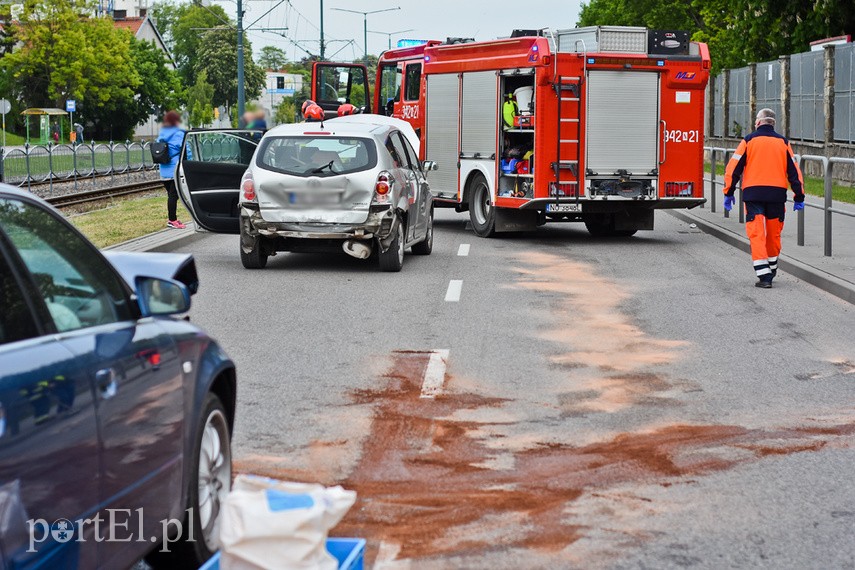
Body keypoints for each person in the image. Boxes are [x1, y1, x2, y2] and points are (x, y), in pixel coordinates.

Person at [723, 108, 805, 288]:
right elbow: (794, 172)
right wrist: (799, 195)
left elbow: (733, 168)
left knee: (757, 233)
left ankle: (764, 275)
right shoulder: (783, 142)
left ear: (758, 122)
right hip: (777, 195)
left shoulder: (748, 140)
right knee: (774, 234)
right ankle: (772, 269)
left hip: (754, 195)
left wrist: (728, 192)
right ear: (773, 123)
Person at [157, 110, 187, 229]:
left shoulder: (162, 134)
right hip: (175, 169)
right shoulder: (179, 134)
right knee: (174, 196)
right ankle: (172, 220)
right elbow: (186, 150)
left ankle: (173, 219)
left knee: (171, 195)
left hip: (163, 170)